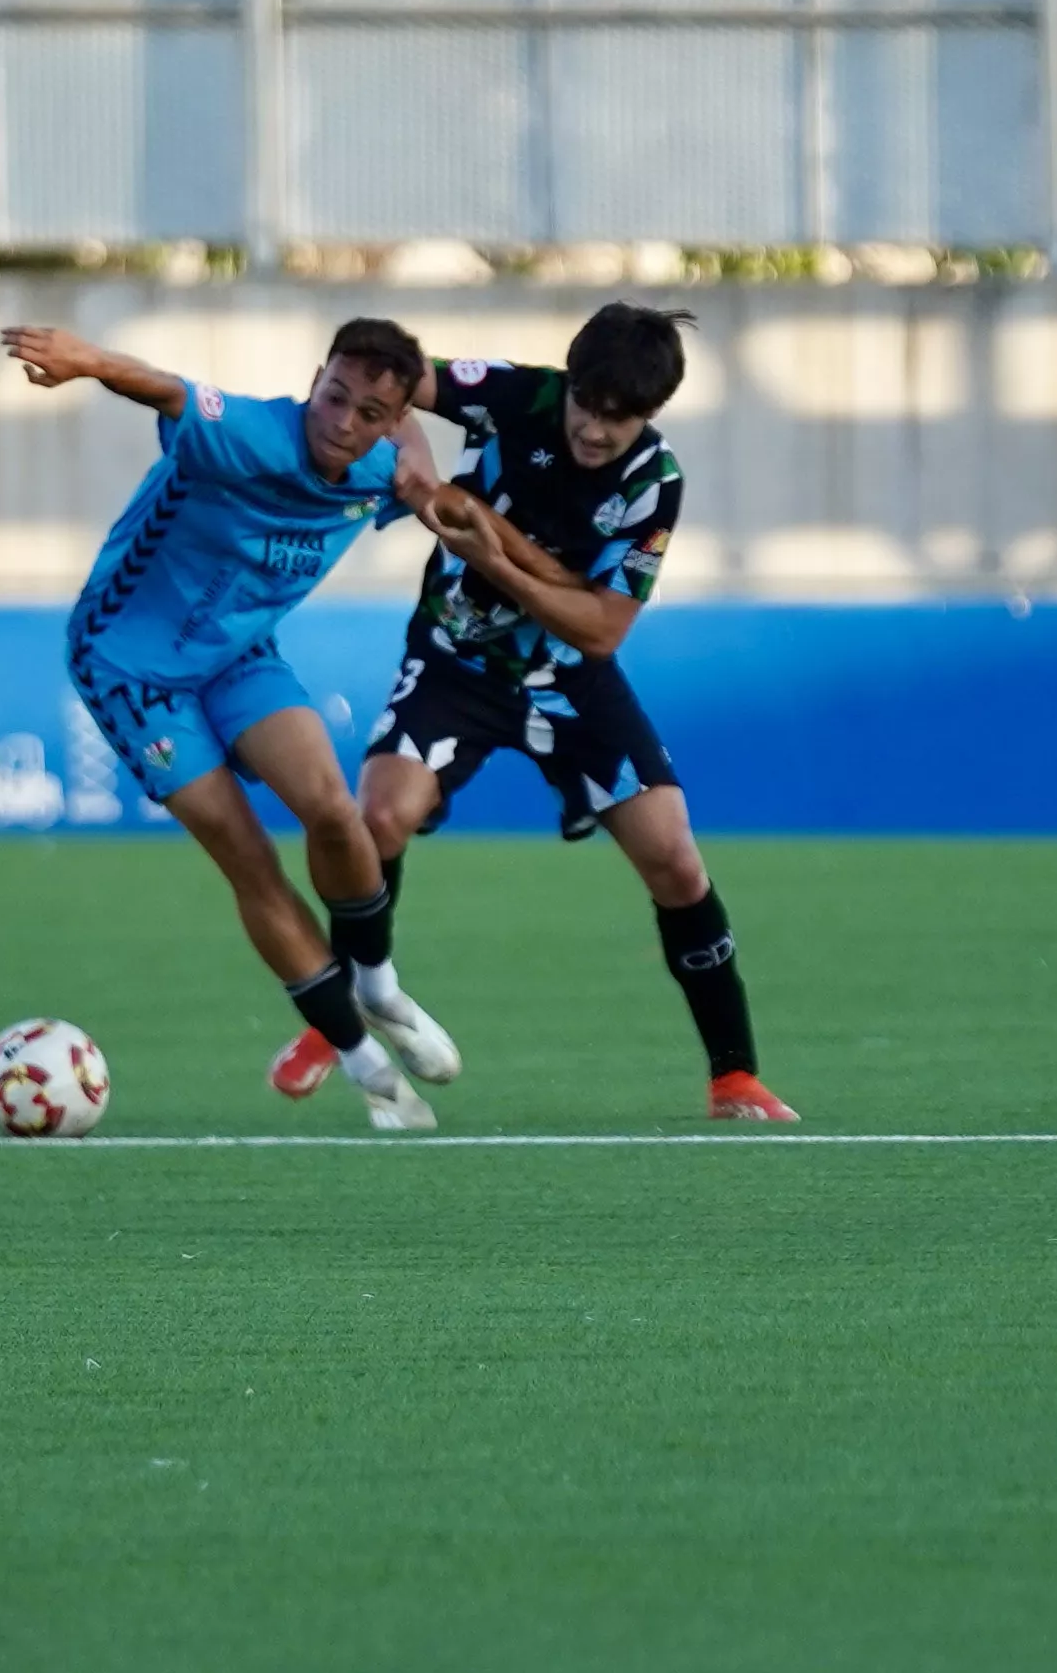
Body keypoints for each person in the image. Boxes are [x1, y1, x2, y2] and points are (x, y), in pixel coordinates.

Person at [270, 304, 796, 1124]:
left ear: (648, 416)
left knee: (675, 860)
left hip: (569, 678)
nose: (591, 429)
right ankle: (344, 1011)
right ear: (570, 384)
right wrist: (415, 467)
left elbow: (601, 626)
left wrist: (492, 549)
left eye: (614, 420)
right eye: (584, 405)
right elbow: (394, 382)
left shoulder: (653, 485)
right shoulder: (518, 395)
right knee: (375, 819)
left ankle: (734, 1077)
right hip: (455, 658)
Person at [3, 314, 456, 1131]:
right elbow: (167, 388)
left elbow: (417, 449)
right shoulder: (250, 434)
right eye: (333, 396)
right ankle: (366, 1068)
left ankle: (378, 986)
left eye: (367, 413)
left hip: (240, 653)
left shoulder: (379, 469)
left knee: (332, 808)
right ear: (314, 380)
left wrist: (419, 466)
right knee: (249, 857)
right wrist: (88, 361)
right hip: (131, 667)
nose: (341, 422)